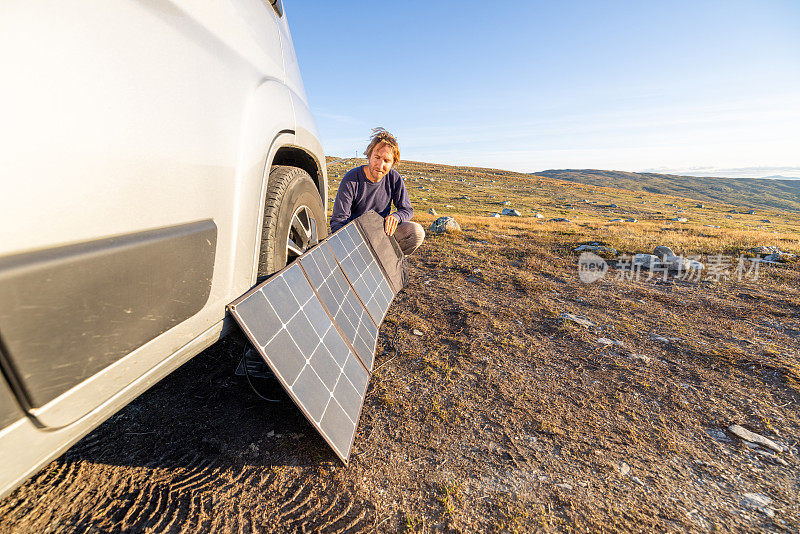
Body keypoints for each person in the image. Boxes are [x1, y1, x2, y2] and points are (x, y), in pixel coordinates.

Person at [330, 128, 425, 255]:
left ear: (393, 163)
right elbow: (338, 221)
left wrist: (396, 217)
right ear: (369, 155)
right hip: (354, 237)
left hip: (382, 235)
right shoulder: (351, 179)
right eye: (377, 157)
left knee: (416, 232)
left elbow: (407, 210)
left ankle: (390, 266)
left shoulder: (394, 178)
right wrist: (351, 244)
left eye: (386, 161)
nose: (380, 166)